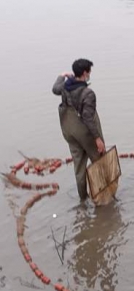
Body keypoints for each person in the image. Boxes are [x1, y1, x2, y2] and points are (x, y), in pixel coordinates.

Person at [52, 58, 105, 200]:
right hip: (84, 132)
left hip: (68, 130)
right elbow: (88, 118)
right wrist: (98, 138)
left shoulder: (64, 86)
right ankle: (102, 195)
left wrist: (62, 75)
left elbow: (54, 89)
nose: (90, 74)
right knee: (98, 161)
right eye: (89, 71)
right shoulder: (88, 93)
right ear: (84, 73)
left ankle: (83, 198)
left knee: (79, 166)